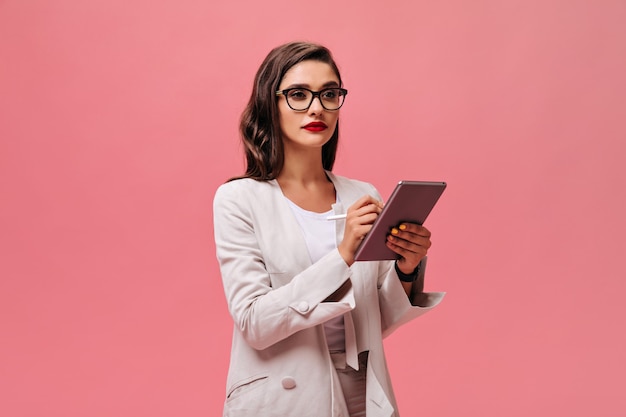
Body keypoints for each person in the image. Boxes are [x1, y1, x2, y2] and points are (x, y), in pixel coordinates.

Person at [213, 41, 444, 417]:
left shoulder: (361, 194)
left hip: (363, 391)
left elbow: (375, 319)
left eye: (329, 93)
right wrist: (343, 255)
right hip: (284, 398)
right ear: (269, 103)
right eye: (298, 95)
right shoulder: (239, 199)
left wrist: (406, 268)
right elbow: (254, 323)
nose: (317, 107)